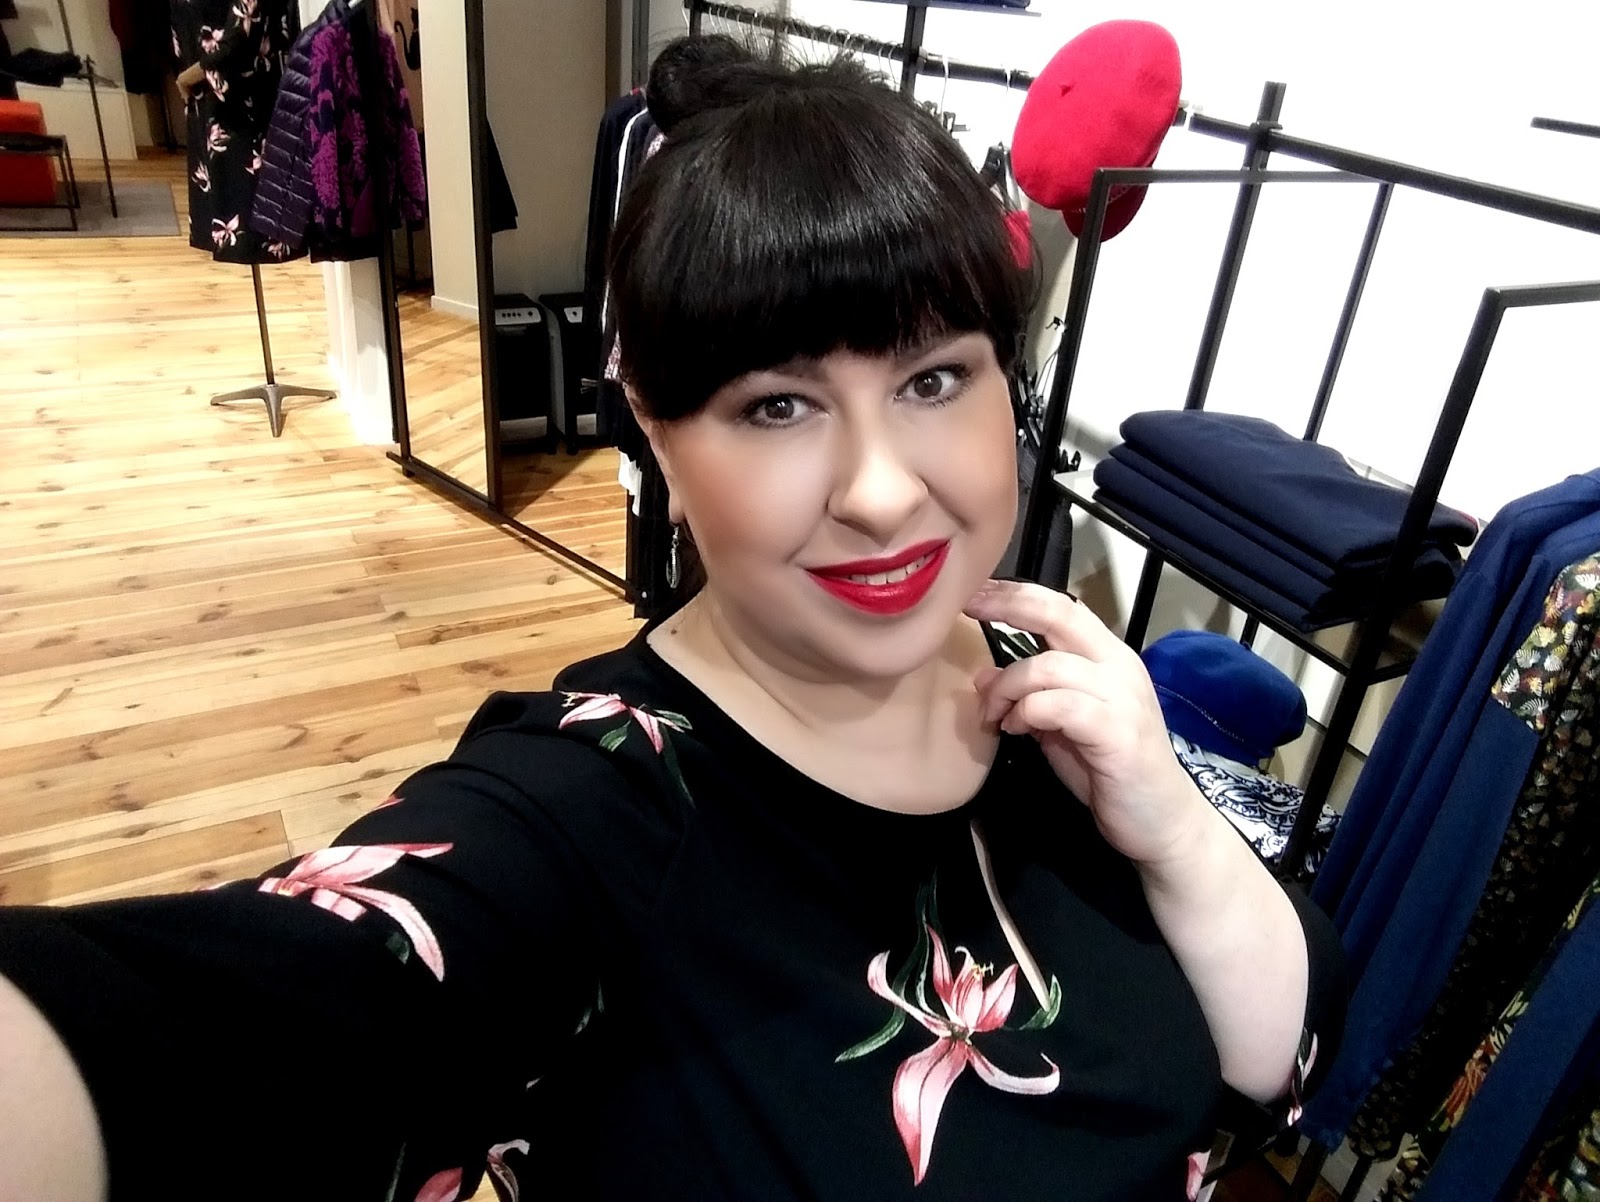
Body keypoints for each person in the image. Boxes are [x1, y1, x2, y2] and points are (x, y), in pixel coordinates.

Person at [0, 41, 1344, 1202]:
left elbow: (1269, 1065)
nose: (883, 490)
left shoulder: (1052, 687)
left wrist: (1174, 826)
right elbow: (226, 1036)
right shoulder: (596, 805)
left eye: (935, 379)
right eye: (777, 406)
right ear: (653, 425)